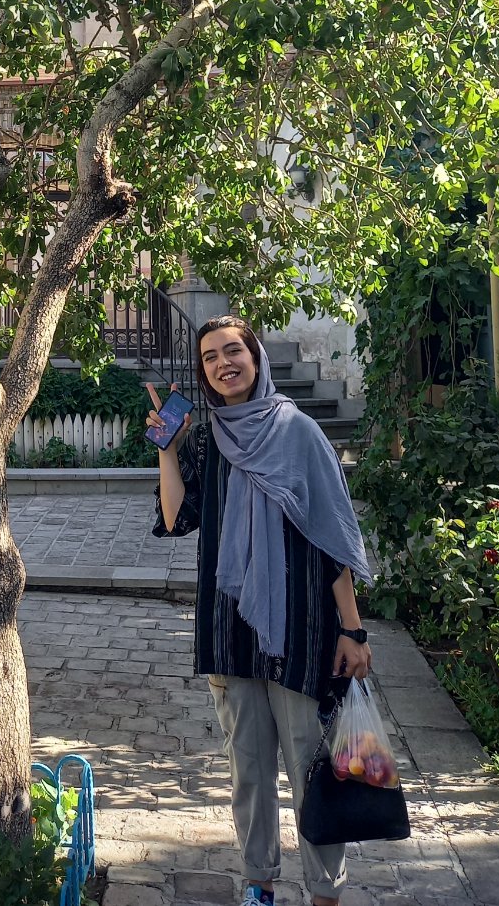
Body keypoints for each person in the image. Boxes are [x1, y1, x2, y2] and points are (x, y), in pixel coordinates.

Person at [148, 314, 372, 906]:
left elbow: (331, 540)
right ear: (203, 372)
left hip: (299, 630)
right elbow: (176, 518)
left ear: (256, 356)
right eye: (211, 358)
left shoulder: (299, 434)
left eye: (233, 351)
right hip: (229, 629)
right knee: (248, 773)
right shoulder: (205, 441)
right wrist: (169, 451)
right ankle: (260, 884)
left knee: (309, 767)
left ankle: (325, 891)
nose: (224, 364)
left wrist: (351, 628)